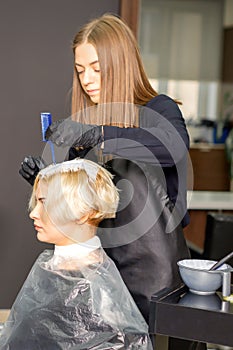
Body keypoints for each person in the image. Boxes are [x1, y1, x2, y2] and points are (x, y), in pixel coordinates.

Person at [19, 14, 191, 325]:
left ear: (121, 64)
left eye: (97, 69)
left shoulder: (158, 110)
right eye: (80, 70)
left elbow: (173, 148)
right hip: (101, 272)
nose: (86, 79)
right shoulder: (83, 132)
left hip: (157, 275)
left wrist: (101, 135)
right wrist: (48, 184)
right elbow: (80, 211)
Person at [1, 158, 153, 349]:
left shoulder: (97, 290)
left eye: (44, 202)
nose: (34, 213)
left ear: (83, 213)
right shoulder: (49, 265)